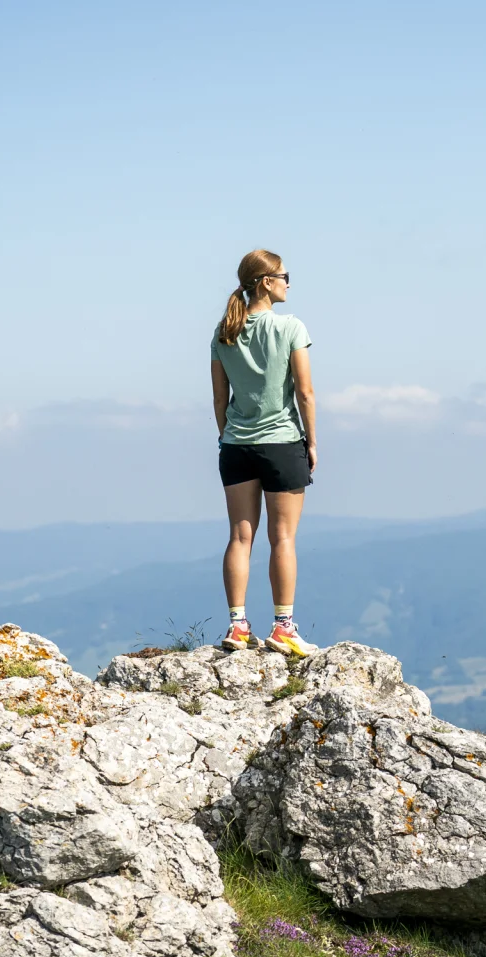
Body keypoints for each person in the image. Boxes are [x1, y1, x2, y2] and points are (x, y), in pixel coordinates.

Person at [210, 249, 321, 657]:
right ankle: (283, 628)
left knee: (241, 537)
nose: (289, 282)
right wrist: (311, 441)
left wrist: (230, 438)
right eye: (284, 275)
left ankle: (238, 627)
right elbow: (305, 392)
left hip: (236, 446)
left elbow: (220, 400)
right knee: (283, 538)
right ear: (265, 282)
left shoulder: (223, 332)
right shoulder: (290, 327)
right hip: (282, 443)